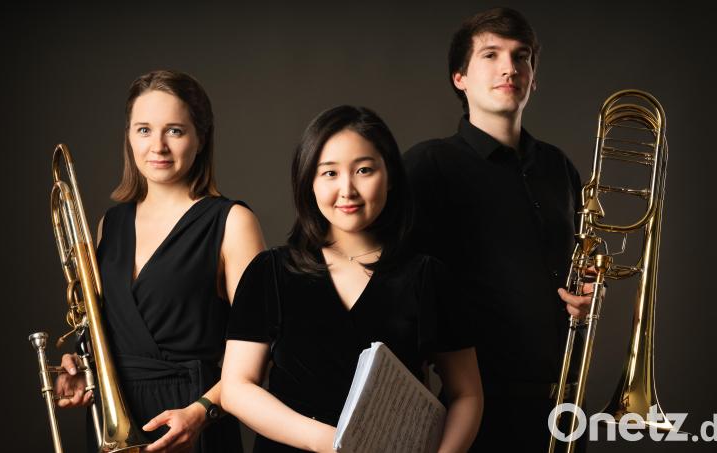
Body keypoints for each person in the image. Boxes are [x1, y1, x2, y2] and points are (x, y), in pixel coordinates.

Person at [219, 105, 483, 452]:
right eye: (329, 173)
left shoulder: (427, 276)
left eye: (364, 170)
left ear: (390, 177)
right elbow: (236, 388)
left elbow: (467, 394)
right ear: (308, 182)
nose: (347, 190)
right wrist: (333, 443)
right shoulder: (270, 271)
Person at [402, 7, 593, 452]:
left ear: (533, 76)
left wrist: (585, 295)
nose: (509, 68)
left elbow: (570, 268)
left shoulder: (559, 167)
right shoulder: (428, 165)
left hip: (565, 403)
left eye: (521, 56)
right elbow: (398, 284)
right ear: (460, 78)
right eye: (490, 55)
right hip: (477, 408)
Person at [53, 69, 266, 453]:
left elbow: (262, 347)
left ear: (201, 138)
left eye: (175, 131)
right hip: (115, 425)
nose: (158, 146)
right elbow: (114, 335)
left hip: (192, 423)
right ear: (129, 137)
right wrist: (85, 370)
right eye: (144, 130)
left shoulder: (233, 222)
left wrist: (201, 412)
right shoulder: (109, 225)